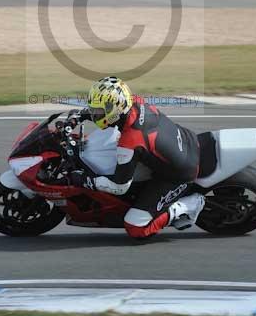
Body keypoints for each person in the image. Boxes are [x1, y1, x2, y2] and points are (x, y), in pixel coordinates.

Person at [70, 76, 205, 239]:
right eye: (93, 109)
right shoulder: (133, 102)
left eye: (98, 111)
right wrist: (81, 115)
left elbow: (119, 186)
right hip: (185, 141)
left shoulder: (131, 140)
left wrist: (86, 181)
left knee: (136, 227)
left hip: (180, 174)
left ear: (114, 110)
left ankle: (188, 206)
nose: (95, 114)